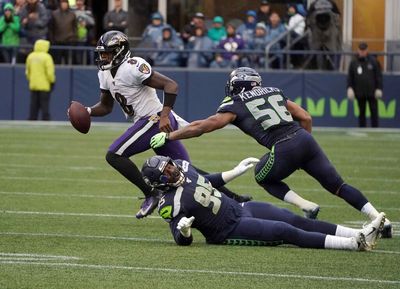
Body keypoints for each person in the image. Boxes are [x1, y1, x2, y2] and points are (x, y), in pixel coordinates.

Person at [150, 67, 393, 238]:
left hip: (283, 145)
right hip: (305, 140)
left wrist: (170, 135)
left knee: (261, 174)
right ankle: (379, 218)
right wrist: (305, 146)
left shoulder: (234, 104)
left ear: (238, 86)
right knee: (339, 186)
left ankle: (306, 205)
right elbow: (305, 117)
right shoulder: (274, 91)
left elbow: (203, 126)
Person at [75, 31, 251, 219]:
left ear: (120, 51)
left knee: (114, 155)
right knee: (187, 172)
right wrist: (88, 111)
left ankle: (151, 194)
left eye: (107, 53)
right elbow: (106, 106)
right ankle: (235, 199)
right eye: (102, 54)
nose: (103, 58)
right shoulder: (104, 74)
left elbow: (171, 85)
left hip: (154, 119)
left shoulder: (133, 66)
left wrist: (165, 115)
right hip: (150, 122)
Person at [141, 155, 385, 251]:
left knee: (292, 218)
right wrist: (183, 231)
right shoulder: (169, 202)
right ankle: (352, 244)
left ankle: (359, 232)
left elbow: (207, 180)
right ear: (160, 182)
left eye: (170, 165)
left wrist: (235, 171)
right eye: (167, 172)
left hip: (240, 209)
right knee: (284, 231)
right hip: (228, 230)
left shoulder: (184, 166)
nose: (172, 170)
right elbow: (180, 238)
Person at [347, 42, 383, 128]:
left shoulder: (373, 61)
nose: (362, 52)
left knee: (374, 112)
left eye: (364, 50)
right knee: (361, 112)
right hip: (360, 92)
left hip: (372, 92)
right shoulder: (353, 62)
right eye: (361, 50)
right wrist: (350, 88)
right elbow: (350, 77)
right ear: (358, 50)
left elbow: (378, 76)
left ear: (367, 50)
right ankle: (362, 129)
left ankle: (375, 129)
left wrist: (379, 88)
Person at [25, 39, 55, 120]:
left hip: (33, 85)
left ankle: (32, 119)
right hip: (44, 85)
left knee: (33, 105)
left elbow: (27, 72)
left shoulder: (30, 56)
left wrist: (30, 80)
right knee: (44, 105)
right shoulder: (47, 57)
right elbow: (50, 73)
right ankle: (45, 119)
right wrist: (52, 81)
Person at [49, 0, 77, 65]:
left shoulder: (72, 14)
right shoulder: (54, 14)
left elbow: (75, 28)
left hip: (69, 41)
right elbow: (51, 28)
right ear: (60, 4)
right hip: (57, 41)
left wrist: (74, 38)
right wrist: (52, 40)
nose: (64, 4)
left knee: (69, 61)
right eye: (62, 3)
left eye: (65, 3)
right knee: (57, 61)